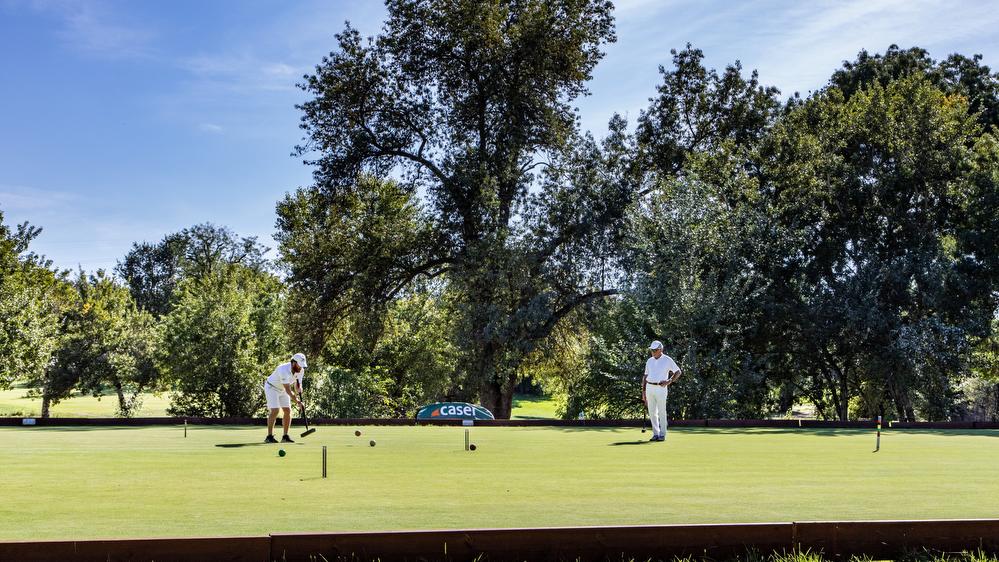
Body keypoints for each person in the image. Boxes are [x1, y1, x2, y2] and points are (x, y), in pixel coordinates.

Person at [263, 353, 308, 443]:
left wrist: (299, 388)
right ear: (293, 363)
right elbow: (288, 390)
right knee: (275, 410)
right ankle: (269, 436)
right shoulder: (283, 369)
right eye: (299, 365)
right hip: (272, 387)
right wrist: (298, 402)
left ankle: (285, 436)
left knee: (287, 410)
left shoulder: (301, 370)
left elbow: (297, 385)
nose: (301, 367)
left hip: (282, 389)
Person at [642, 340, 681, 442]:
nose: (653, 352)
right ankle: (656, 433)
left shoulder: (667, 360)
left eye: (655, 350)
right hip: (649, 387)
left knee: (662, 411)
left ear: (661, 349)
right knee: (652, 412)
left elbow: (678, 372)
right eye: (652, 350)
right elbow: (645, 376)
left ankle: (662, 434)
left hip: (661, 388)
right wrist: (643, 392)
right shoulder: (649, 361)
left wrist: (669, 381)